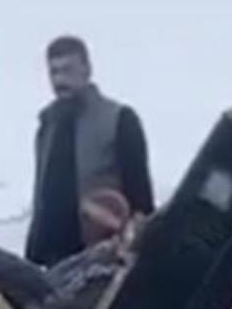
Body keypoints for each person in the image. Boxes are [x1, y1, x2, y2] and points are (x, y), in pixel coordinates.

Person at [25, 35, 154, 266]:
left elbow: (141, 202)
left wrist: (135, 251)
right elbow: (42, 192)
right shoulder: (48, 125)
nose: (60, 80)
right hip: (54, 259)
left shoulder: (119, 119)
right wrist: (33, 250)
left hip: (104, 255)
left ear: (86, 69)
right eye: (54, 72)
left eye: (67, 70)